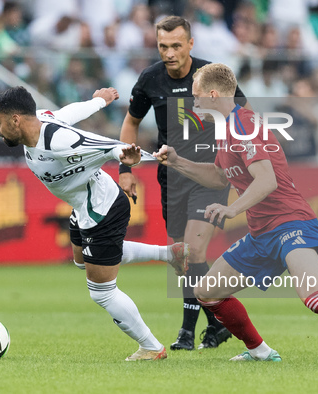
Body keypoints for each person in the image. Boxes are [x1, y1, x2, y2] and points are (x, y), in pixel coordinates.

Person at [154, 63, 318, 366]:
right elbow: (218, 176)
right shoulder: (226, 128)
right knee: (206, 292)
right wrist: (176, 162)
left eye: (197, 95)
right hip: (260, 234)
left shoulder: (244, 125)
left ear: (213, 94)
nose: (194, 102)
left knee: (315, 298)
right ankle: (260, 352)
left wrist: (231, 209)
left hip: (292, 223)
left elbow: (268, 180)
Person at [0, 86, 190, 361]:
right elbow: (67, 113)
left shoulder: (58, 142)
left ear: (15, 119)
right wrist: (98, 101)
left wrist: (132, 156)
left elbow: (100, 144)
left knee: (101, 292)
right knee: (82, 260)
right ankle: (169, 254)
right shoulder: (39, 119)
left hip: (101, 209)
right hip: (83, 205)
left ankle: (151, 347)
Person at [119, 15, 248, 350]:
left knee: (191, 252)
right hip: (171, 176)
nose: (170, 52)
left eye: (176, 45)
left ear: (191, 44)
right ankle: (218, 322)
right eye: (163, 46)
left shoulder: (212, 75)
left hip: (209, 175)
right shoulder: (150, 79)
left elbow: (242, 115)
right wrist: (126, 170)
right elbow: (131, 123)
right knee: (181, 257)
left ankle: (187, 333)